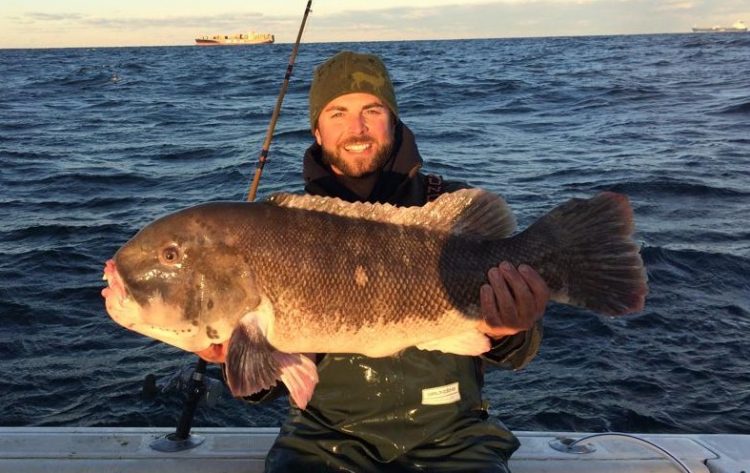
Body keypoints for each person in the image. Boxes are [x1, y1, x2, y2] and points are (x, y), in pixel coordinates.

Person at [202, 51, 549, 473]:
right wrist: (231, 356)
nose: (356, 128)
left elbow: (517, 355)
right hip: (322, 439)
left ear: (394, 120)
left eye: (372, 110)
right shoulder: (281, 228)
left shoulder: (448, 208)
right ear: (317, 129)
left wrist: (512, 329)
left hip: (454, 438)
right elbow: (264, 391)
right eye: (338, 113)